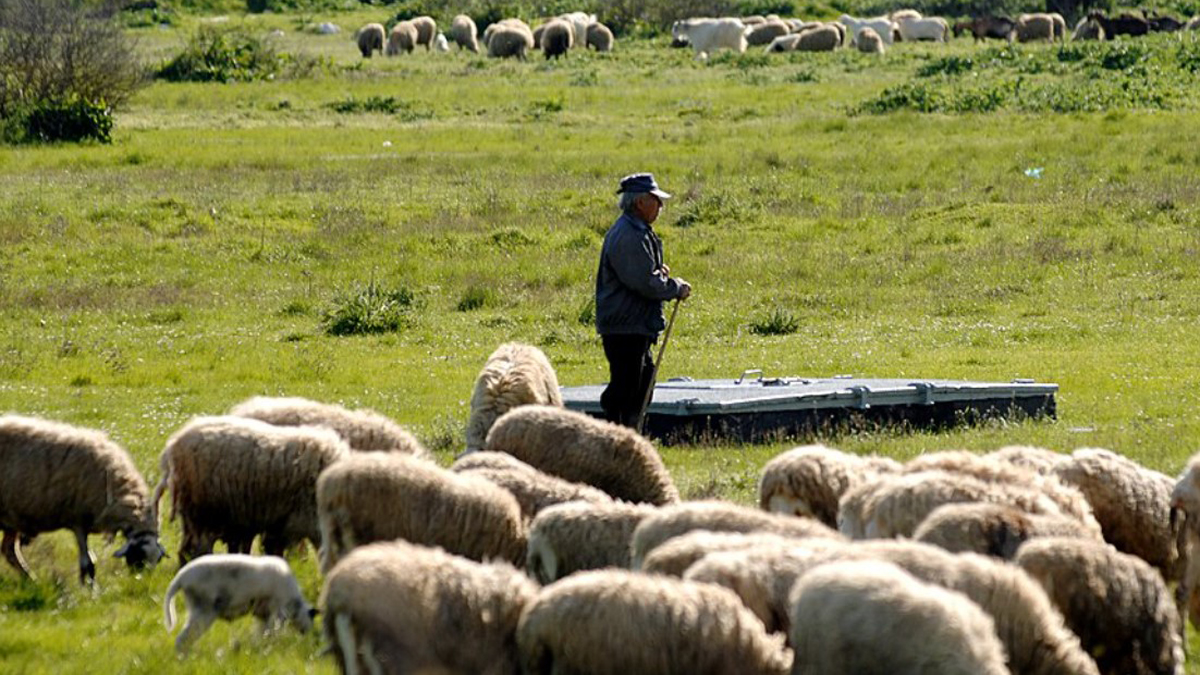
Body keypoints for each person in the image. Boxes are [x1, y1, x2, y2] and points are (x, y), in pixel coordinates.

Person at [595, 173, 692, 429]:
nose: (660, 206)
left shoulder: (636, 231)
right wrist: (675, 288)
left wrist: (659, 273)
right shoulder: (629, 235)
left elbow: (644, 274)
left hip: (634, 324)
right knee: (626, 389)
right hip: (625, 326)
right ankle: (617, 437)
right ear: (639, 203)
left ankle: (628, 435)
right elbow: (643, 282)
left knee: (642, 383)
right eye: (655, 200)